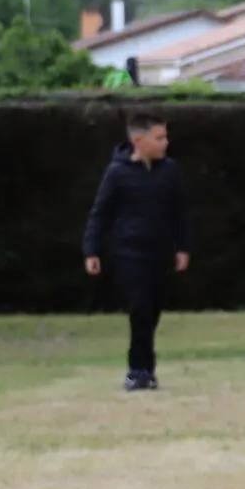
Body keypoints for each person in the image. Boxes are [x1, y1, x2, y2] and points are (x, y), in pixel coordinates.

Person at [82, 111, 191, 392]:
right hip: (129, 253)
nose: (165, 143)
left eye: (165, 137)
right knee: (139, 309)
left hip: (160, 252)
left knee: (152, 310)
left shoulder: (170, 171)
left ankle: (146, 370)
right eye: (159, 138)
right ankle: (138, 370)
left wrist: (183, 247)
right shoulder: (117, 173)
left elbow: (181, 212)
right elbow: (100, 213)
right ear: (139, 141)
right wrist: (91, 250)